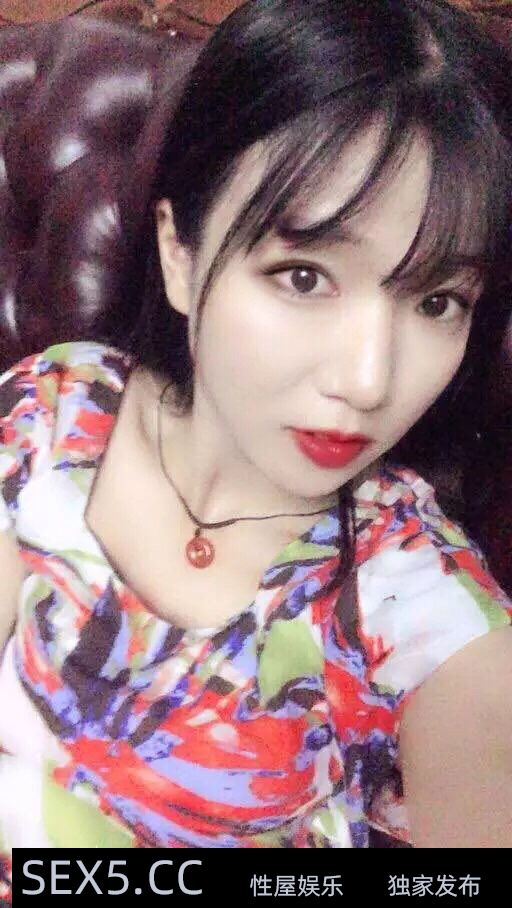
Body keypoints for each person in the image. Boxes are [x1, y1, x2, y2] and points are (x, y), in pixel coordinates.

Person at [0, 0, 511, 871]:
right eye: (303, 276)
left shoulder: (428, 619)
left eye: (436, 301)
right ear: (181, 256)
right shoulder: (58, 411)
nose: (369, 381)